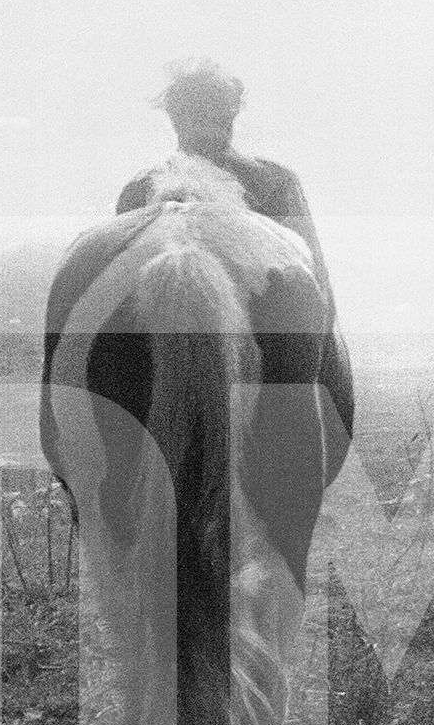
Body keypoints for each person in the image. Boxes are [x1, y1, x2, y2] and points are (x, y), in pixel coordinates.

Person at [118, 61, 354, 475]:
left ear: (175, 119)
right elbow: (316, 284)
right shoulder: (275, 183)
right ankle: (317, 454)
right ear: (232, 113)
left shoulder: (139, 191)